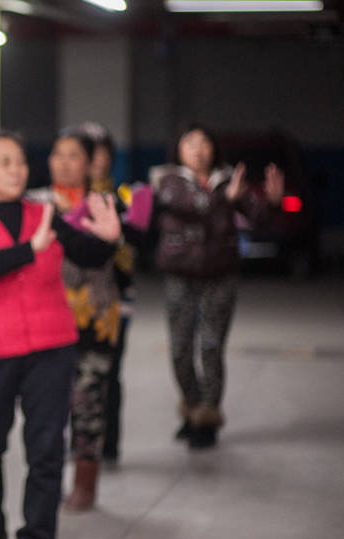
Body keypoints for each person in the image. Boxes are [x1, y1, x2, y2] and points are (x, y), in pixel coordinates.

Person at [0, 130, 120, 539]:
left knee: (46, 450)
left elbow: (89, 254)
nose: (18, 170)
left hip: (51, 348)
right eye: (6, 161)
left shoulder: (43, 213)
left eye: (22, 161)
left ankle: (38, 532)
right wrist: (32, 248)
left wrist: (110, 237)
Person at [151, 123, 283, 449]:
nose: (199, 149)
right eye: (190, 142)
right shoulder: (166, 181)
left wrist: (273, 202)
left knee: (211, 347)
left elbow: (259, 217)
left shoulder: (228, 180)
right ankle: (192, 407)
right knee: (180, 349)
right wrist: (226, 199)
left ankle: (208, 418)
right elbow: (191, 208)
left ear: (214, 148)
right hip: (180, 274)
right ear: (178, 149)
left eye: (205, 142)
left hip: (220, 274)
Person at [48, 129, 122, 512]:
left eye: (74, 155)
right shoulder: (38, 204)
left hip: (93, 318)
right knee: (51, 406)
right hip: (48, 320)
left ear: (90, 162)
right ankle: (54, 477)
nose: (63, 161)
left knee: (88, 403)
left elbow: (105, 256)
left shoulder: (104, 204)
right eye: (57, 153)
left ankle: (86, 483)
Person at [79, 121, 152, 465]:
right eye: (88, 153)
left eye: (102, 152)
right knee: (73, 375)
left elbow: (141, 242)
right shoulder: (66, 200)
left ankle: (108, 447)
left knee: (110, 371)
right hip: (72, 300)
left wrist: (125, 223)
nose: (96, 160)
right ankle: (79, 447)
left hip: (115, 300)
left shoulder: (123, 197)